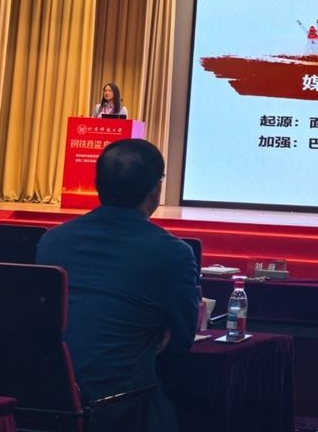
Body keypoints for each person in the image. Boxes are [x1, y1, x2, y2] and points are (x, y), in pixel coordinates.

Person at [36, 140, 200, 432]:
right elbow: (182, 340)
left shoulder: (52, 240)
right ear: (156, 190)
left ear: (97, 184)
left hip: (47, 401)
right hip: (121, 405)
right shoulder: (172, 253)